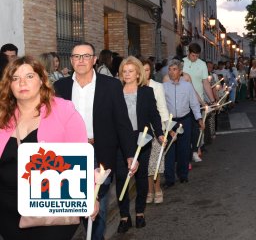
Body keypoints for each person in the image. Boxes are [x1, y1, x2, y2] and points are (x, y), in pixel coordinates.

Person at [0, 56, 95, 240]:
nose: (22, 83)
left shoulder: (64, 110)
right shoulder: (3, 114)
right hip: (7, 208)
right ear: (8, 84)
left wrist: (90, 194)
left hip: (51, 204)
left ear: (42, 80)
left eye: (29, 76)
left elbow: (81, 155)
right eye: (15, 78)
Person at [54, 42, 137, 240]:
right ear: (71, 60)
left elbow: (122, 123)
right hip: (70, 154)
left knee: (96, 203)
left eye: (85, 56)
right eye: (76, 56)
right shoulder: (60, 87)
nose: (81, 60)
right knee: (79, 202)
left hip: (100, 152)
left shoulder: (111, 85)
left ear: (94, 60)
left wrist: (130, 154)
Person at [115, 57, 164, 233]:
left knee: (141, 177)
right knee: (122, 178)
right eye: (124, 71)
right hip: (121, 140)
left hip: (142, 139)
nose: (127, 74)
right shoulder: (116, 91)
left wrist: (159, 133)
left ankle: (140, 212)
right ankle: (124, 216)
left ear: (138, 73)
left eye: (130, 71)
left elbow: (154, 115)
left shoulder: (146, 92)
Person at [162, 59, 203, 187]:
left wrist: (199, 119)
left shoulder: (187, 86)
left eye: (174, 69)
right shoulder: (164, 87)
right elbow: (161, 106)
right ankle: (169, 178)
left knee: (184, 149)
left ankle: (183, 175)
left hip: (185, 120)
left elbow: (194, 104)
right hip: (170, 122)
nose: (171, 72)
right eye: (170, 69)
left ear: (180, 72)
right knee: (169, 150)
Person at [141, 58, 169, 204]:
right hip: (142, 130)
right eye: (142, 70)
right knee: (146, 163)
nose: (144, 73)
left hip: (156, 127)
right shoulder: (134, 87)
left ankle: (157, 189)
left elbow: (162, 108)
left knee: (156, 162)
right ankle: (149, 190)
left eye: (147, 70)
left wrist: (165, 129)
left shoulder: (157, 86)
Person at [182, 44, 214, 163]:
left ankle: (195, 150)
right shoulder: (182, 62)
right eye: (193, 55)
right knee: (186, 128)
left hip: (198, 100)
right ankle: (187, 151)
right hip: (184, 101)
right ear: (188, 52)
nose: (195, 58)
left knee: (196, 127)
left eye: (197, 56)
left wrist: (212, 100)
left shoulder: (202, 64)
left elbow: (205, 83)